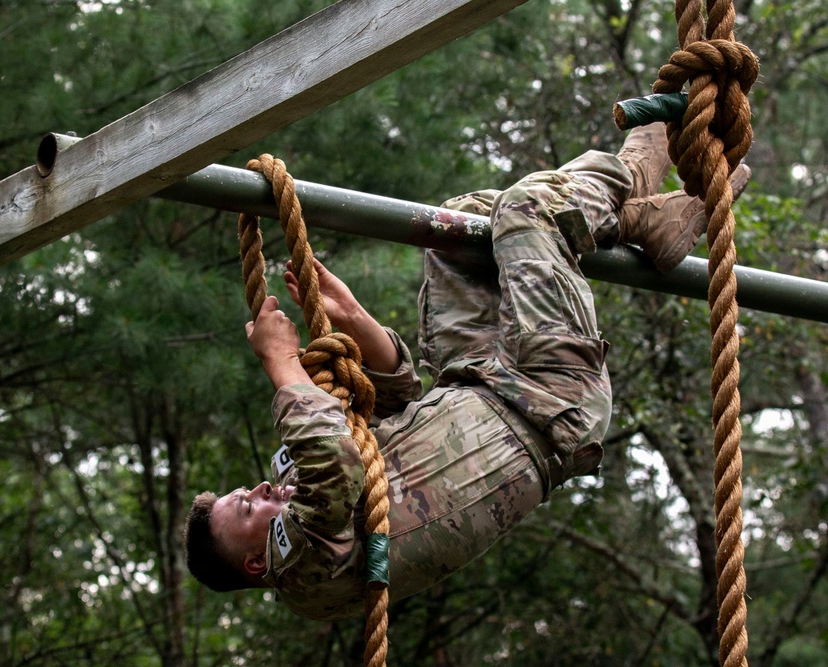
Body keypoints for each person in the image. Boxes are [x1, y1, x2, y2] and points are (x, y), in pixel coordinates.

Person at [183, 124, 751, 621]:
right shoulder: (307, 576)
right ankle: (638, 168)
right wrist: (280, 361)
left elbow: (396, 399)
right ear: (255, 562)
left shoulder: (311, 495)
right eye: (248, 507)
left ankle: (645, 221)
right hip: (547, 402)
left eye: (246, 491)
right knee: (527, 210)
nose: (261, 489)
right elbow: (335, 465)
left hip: (478, 380)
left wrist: (352, 316)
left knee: (457, 228)